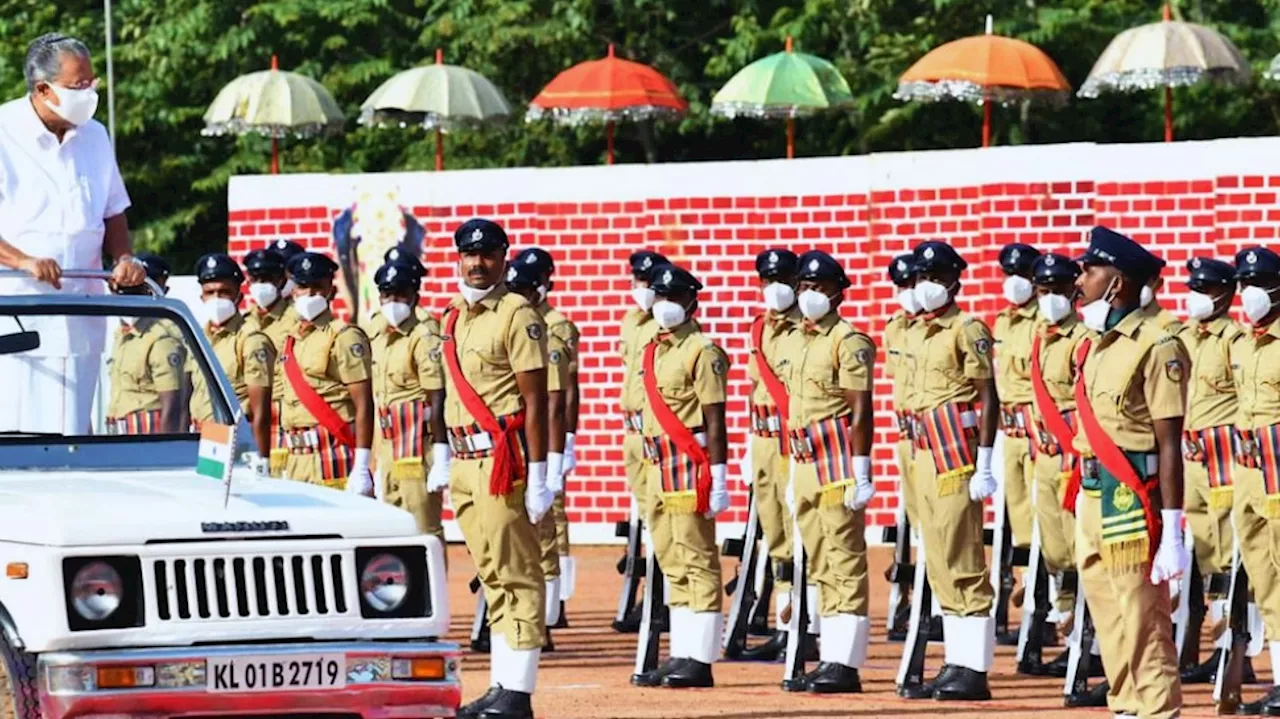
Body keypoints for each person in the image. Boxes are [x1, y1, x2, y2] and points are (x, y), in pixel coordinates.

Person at [0, 33, 147, 436]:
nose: (89, 93)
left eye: (92, 83)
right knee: (19, 433)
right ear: (43, 89)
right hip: (17, 315)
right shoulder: (3, 133)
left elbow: (113, 210)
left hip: (83, 313)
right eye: (78, 86)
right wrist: (23, 261)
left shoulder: (95, 136)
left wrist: (123, 259)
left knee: (75, 435)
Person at [1069, 225, 1188, 719]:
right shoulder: (1095, 341)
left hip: (1132, 498)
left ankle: (1159, 710)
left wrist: (1173, 532)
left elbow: (1169, 442)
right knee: (1109, 619)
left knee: (1143, 619)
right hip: (1091, 493)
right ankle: (1126, 707)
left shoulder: (1159, 344)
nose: (1079, 279)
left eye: (1088, 270)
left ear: (1115, 282)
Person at [436, 219, 552, 719]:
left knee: (518, 573)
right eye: (468, 254)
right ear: (458, 257)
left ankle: (519, 692)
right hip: (465, 462)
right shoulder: (452, 318)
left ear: (504, 257)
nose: (476, 262)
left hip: (503, 462)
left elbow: (536, 400)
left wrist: (542, 476)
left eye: (486, 254)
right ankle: (502, 683)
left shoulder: (517, 313)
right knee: (490, 574)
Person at [900, 240, 999, 701]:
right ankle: (956, 660)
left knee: (962, 558)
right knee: (937, 559)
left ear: (955, 280)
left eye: (936, 278)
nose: (927, 287)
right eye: (922, 278)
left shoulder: (966, 328)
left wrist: (984, 462)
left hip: (953, 455)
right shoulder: (917, 331)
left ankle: (974, 669)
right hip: (921, 451)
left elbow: (987, 396)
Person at [778, 250, 877, 693]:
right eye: (805, 287)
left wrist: (862, 470)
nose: (811, 295)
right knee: (817, 558)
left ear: (839, 292)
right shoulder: (794, 339)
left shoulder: (849, 340)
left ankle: (845, 662)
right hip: (801, 460)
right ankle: (826, 653)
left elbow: (861, 410)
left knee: (844, 559)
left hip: (836, 461)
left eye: (820, 288)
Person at [629, 264, 731, 690]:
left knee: (697, 555)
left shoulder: (702, 350)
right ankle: (682, 652)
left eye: (675, 298)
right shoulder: (654, 349)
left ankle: (700, 658)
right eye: (661, 297)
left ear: (692, 302)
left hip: (689, 460)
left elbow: (715, 418)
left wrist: (720, 475)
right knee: (671, 557)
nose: (666, 305)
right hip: (657, 463)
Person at [1177, 256, 1245, 685]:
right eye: (1193, 288)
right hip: (1189, 460)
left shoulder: (1233, 340)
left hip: (1222, 458)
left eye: (1205, 290)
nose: (1195, 296)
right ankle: (1213, 648)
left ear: (1224, 295)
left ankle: (1233, 652)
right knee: (1203, 556)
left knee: (1227, 558)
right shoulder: (1183, 337)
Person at [512, 246, 581, 630]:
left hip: (547, 437)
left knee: (549, 519)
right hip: (518, 437)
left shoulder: (555, 328)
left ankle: (556, 605)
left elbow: (564, 394)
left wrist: (564, 444)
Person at [737, 248, 802, 662]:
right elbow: (751, 390)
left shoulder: (805, 331)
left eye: (781, 279)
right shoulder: (759, 328)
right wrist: (748, 443)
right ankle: (784, 623)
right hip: (763, 441)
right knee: (775, 535)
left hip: (793, 444)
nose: (774, 287)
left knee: (802, 534)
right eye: (767, 280)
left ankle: (805, 624)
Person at [1025, 252, 1089, 668]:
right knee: (1055, 550)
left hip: (1071, 455)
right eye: (1044, 291)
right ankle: (1070, 635)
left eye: (1059, 291)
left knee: (1079, 546)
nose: (1050, 299)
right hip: (1043, 456)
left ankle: (1090, 643)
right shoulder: (1039, 336)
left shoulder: (1081, 338)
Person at [1225, 246, 1280, 714]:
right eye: (1244, 284)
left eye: (1258, 284)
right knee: (1264, 574)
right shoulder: (1241, 343)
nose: (1248, 294)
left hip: (1279, 468)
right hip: (1247, 469)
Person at [503, 257, 568, 649]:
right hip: (503, 443)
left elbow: (553, 403)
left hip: (531, 442)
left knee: (539, 535)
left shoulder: (548, 333)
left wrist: (554, 462)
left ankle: (543, 620)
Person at [278, 252, 375, 497]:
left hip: (331, 453)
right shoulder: (291, 340)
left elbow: (363, 404)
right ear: (293, 292)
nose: (309, 294)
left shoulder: (344, 336)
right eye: (302, 287)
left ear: (330, 291)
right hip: (296, 457)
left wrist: (362, 465)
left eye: (317, 287)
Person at [369, 259, 446, 552]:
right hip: (388, 445)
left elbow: (437, 396)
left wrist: (441, 456)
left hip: (417, 445)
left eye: (400, 295)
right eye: (387, 295)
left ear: (415, 296)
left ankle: (433, 596)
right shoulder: (378, 331)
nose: (393, 302)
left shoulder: (423, 335)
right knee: (391, 530)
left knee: (423, 530)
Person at [614, 249, 668, 632]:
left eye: (649, 284)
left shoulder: (663, 325)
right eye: (638, 282)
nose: (642, 290)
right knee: (647, 520)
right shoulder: (631, 322)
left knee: (662, 518)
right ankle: (652, 594)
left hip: (655, 433)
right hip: (632, 431)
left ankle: (662, 598)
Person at [189, 253, 275, 463]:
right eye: (210, 292)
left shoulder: (250, 339)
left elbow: (260, 413)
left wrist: (261, 461)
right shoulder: (197, 338)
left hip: (232, 438)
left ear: (238, 296)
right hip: (199, 437)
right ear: (202, 297)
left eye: (224, 292)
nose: (217, 298)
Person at [104, 254, 187, 435]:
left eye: (134, 293)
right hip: (119, 431)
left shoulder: (161, 338)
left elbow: (172, 406)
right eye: (119, 292)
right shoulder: (122, 334)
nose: (125, 299)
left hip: (146, 435)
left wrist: (165, 454)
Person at [994, 243, 1041, 553]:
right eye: (1008, 273)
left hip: (1038, 428)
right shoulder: (1002, 321)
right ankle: (1028, 578)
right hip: (1009, 429)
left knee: (1044, 510)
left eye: (1021, 273)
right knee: (1017, 507)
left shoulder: (1044, 323)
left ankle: (1055, 588)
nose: (1014, 280)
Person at [883, 252, 921, 640]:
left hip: (937, 441)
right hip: (906, 436)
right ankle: (907, 596)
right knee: (910, 521)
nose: (907, 294)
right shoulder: (894, 328)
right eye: (902, 287)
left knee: (935, 527)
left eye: (912, 285)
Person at [242, 248, 297, 477]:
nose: (261, 285)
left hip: (283, 416)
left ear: (281, 280)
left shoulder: (296, 320)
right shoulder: (243, 323)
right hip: (248, 417)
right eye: (256, 279)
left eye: (268, 278)